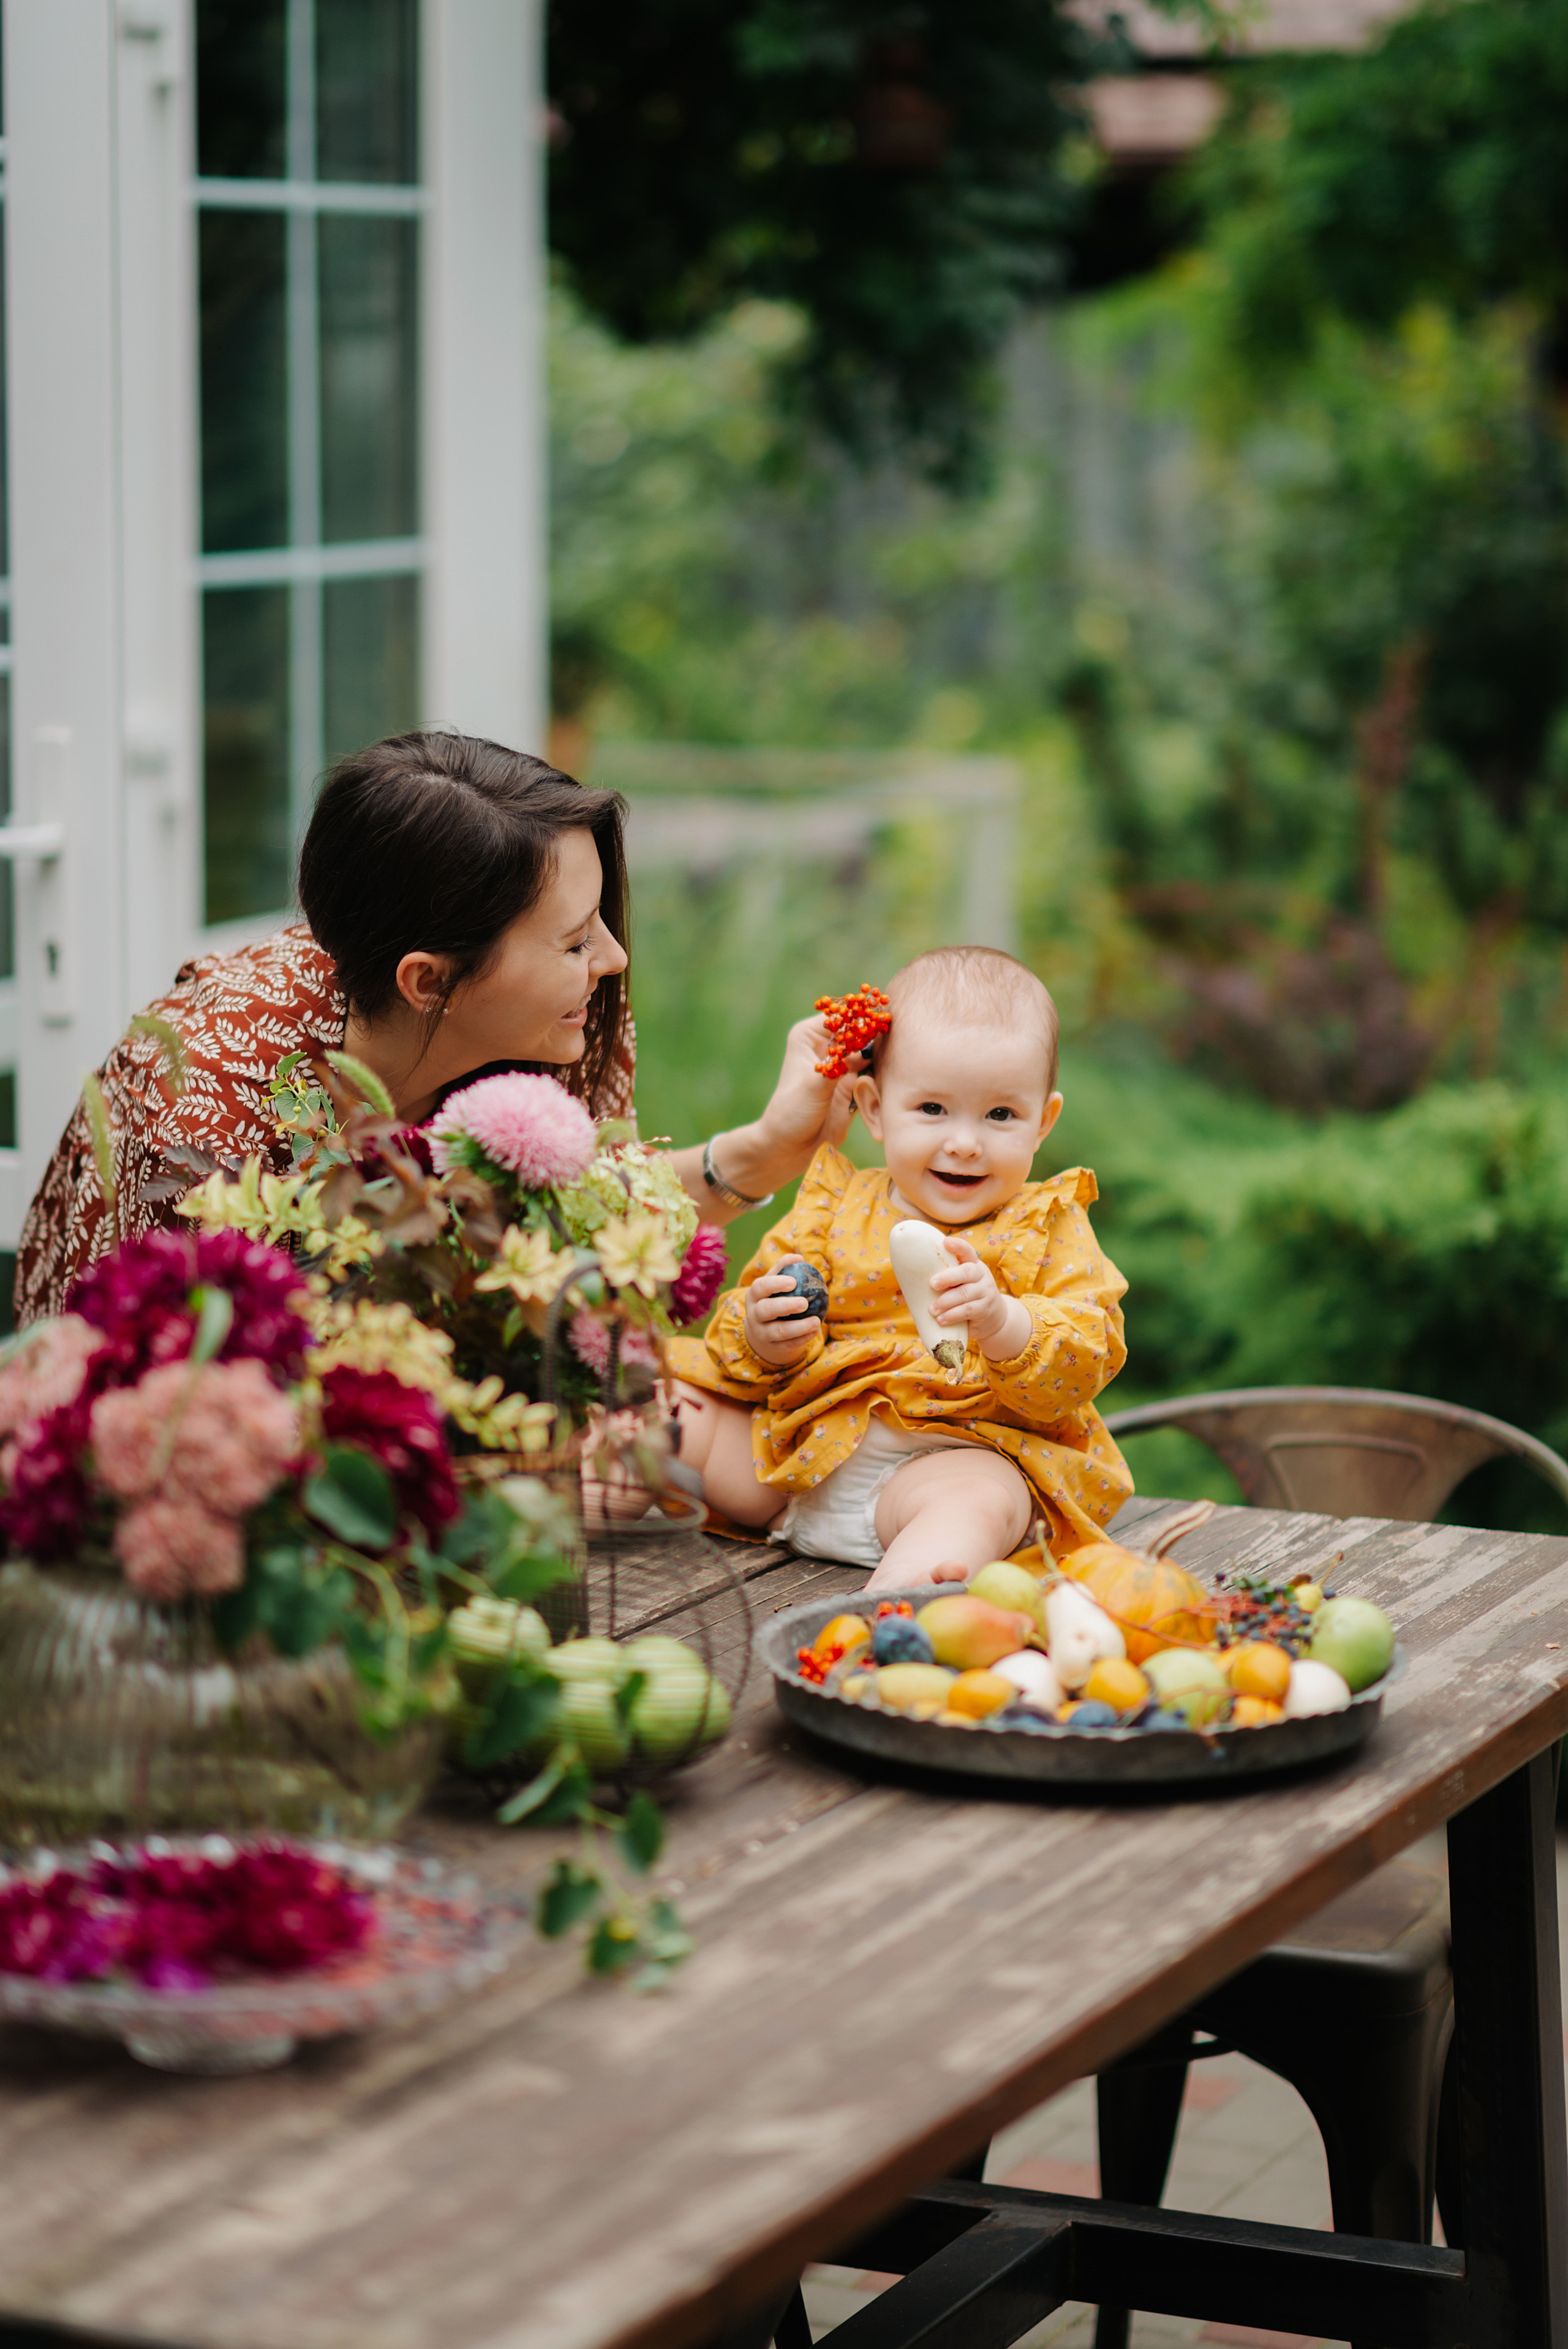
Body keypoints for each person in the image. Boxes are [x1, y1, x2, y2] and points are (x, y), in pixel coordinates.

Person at [15, 731, 860, 1324]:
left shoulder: (555, 1012)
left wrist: (763, 1150)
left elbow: (594, 1204)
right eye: (572, 939)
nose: (610, 956)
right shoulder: (211, 1096)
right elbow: (190, 1383)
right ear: (428, 980)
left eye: (598, 920)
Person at [665, 947, 1132, 1590]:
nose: (964, 1141)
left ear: (1043, 1123)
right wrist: (762, 1334)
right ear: (876, 1108)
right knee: (655, 1397)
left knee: (981, 1499)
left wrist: (1004, 1322)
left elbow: (1089, 1351)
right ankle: (597, 1494)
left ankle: (895, 1601)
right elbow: (741, 1329)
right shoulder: (835, 1204)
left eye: (1000, 1115)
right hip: (790, 1457)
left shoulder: (1046, 1224)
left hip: (942, 1462)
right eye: (933, 1110)